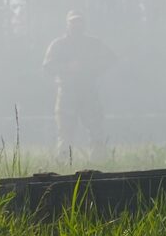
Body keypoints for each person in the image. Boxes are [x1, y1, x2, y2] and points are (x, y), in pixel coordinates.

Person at [42, 11, 116, 159]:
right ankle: (64, 163)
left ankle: (99, 161)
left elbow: (111, 59)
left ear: (84, 24)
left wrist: (93, 68)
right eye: (73, 22)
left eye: (79, 22)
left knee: (96, 129)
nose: (76, 25)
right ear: (67, 24)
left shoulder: (94, 44)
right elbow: (48, 66)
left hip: (89, 92)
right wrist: (67, 67)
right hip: (67, 93)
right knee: (65, 131)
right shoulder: (58, 44)